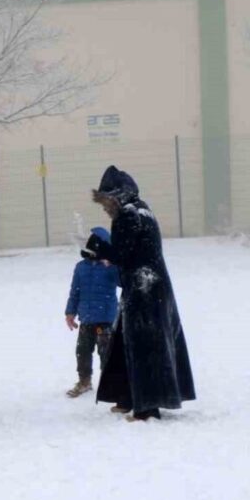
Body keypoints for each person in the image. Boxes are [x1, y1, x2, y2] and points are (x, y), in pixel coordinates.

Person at [87, 165, 195, 421]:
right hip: (153, 286)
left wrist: (99, 248)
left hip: (143, 288)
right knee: (129, 341)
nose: (104, 207)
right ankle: (127, 396)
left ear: (117, 196)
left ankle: (146, 406)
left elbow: (122, 255)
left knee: (144, 345)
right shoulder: (143, 210)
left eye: (106, 201)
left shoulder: (127, 215)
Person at [64, 228, 120, 398]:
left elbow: (122, 281)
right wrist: (70, 312)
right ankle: (84, 380)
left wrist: (113, 265)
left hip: (105, 320)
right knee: (82, 350)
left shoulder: (110, 267)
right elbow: (75, 291)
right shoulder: (81, 267)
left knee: (106, 351)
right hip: (86, 319)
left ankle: (110, 383)